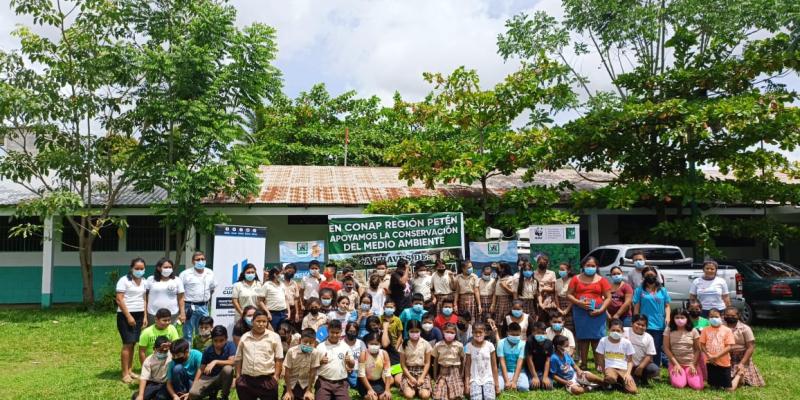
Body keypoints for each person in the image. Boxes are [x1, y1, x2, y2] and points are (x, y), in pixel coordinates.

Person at [567, 257, 612, 371]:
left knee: (597, 338)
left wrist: (601, 310)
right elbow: (569, 294)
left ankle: (599, 364)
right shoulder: (575, 279)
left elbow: (608, 297)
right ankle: (584, 364)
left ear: (597, 267)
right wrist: (579, 303)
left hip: (597, 312)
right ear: (583, 266)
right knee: (583, 338)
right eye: (588, 265)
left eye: (593, 266)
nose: (590, 268)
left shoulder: (602, 280)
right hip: (580, 311)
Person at [234, 310, 284, 400]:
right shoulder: (245, 337)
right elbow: (238, 358)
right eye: (258, 321)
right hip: (247, 381)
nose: (261, 324)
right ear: (252, 321)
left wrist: (276, 377)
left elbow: (279, 359)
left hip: (267, 380)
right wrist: (238, 377)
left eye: (264, 321)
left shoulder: (274, 337)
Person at [117, 257, 148, 384]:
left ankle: (130, 370)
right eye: (137, 268)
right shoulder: (123, 280)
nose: (139, 271)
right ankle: (124, 373)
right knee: (127, 343)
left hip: (139, 314)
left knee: (133, 343)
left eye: (142, 268)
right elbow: (119, 299)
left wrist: (145, 316)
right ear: (131, 268)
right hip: (125, 315)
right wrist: (128, 316)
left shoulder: (144, 281)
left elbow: (144, 299)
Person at [633, 266, 671, 367]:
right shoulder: (639, 290)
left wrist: (667, 317)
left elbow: (667, 306)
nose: (650, 276)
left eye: (652, 275)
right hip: (644, 323)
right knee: (644, 346)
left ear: (656, 276)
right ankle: (642, 367)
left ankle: (655, 369)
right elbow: (636, 306)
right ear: (643, 277)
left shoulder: (662, 290)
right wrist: (635, 320)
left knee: (656, 347)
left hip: (659, 323)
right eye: (647, 275)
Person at [188, 326, 235, 400]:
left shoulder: (230, 345)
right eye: (215, 341)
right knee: (193, 393)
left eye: (221, 340)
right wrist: (195, 384)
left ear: (226, 339)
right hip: (208, 378)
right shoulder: (208, 350)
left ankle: (224, 396)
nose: (218, 344)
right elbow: (201, 368)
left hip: (222, 378)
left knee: (228, 369)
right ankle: (212, 392)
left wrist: (215, 361)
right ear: (212, 340)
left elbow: (232, 362)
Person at [724, 306, 765, 389]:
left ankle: (740, 374)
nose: (730, 317)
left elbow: (751, 347)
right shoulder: (721, 327)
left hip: (741, 357)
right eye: (727, 315)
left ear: (738, 316)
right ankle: (739, 376)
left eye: (733, 316)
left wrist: (742, 363)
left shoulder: (745, 328)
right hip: (725, 356)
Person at [314, 320, 356, 400]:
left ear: (341, 332)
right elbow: (313, 366)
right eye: (332, 332)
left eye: (337, 333)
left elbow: (352, 366)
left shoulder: (345, 347)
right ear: (328, 331)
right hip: (323, 382)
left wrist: (349, 361)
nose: (334, 335)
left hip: (341, 383)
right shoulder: (320, 347)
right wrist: (321, 362)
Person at [663, 309, 703, 390]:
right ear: (673, 318)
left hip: (691, 363)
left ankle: (687, 376)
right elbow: (666, 348)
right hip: (676, 363)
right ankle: (681, 376)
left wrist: (693, 364)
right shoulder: (668, 330)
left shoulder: (693, 330)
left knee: (697, 386)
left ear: (687, 318)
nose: (680, 320)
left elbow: (698, 349)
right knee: (679, 385)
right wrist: (676, 364)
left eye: (682, 317)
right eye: (677, 317)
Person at [179, 251, 215, 343]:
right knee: (188, 334)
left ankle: (201, 350)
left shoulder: (210, 273)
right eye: (198, 259)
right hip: (189, 307)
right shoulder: (185, 274)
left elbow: (212, 289)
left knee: (204, 333)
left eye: (202, 259)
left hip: (204, 307)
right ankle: (188, 351)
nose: (200, 261)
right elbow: (180, 294)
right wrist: (182, 312)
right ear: (193, 261)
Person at [595, 319, 637, 394]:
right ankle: (612, 381)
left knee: (632, 390)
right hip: (610, 367)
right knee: (610, 378)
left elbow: (630, 361)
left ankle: (618, 382)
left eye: (618, 331)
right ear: (609, 330)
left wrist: (628, 374)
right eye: (613, 330)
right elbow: (600, 358)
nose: (615, 332)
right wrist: (604, 372)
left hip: (623, 368)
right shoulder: (603, 341)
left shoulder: (627, 343)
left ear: (622, 331)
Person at [699, 308, 735, 391]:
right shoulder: (705, 330)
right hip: (710, 361)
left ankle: (738, 378)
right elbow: (702, 344)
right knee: (713, 386)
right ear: (708, 318)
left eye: (716, 316)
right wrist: (708, 355)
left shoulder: (727, 330)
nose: (714, 318)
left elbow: (729, 346)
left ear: (721, 317)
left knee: (728, 389)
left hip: (724, 362)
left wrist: (716, 356)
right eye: (711, 317)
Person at [283, 328, 323, 400]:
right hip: (291, 384)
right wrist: (288, 391)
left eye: (311, 343)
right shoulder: (291, 352)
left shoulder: (315, 353)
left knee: (309, 397)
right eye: (305, 342)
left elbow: (312, 373)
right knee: (287, 398)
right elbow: (287, 372)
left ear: (314, 342)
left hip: (305, 385)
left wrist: (308, 390)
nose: (307, 345)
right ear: (300, 340)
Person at [146, 258, 186, 326]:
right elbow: (146, 297)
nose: (168, 269)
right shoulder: (150, 279)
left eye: (170, 267)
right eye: (165, 267)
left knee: (170, 332)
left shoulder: (177, 280)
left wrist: (182, 313)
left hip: (172, 314)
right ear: (159, 268)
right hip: (153, 314)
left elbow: (181, 298)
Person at [465, 322, 500, 399]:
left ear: (485, 333)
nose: (478, 335)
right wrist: (467, 385)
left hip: (488, 379)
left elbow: (494, 366)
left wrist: (497, 385)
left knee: (489, 398)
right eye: (475, 332)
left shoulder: (490, 346)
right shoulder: (469, 346)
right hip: (474, 379)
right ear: (472, 333)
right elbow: (467, 367)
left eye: (480, 332)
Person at [399, 320, 433, 400]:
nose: (414, 333)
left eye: (417, 331)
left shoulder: (425, 344)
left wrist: (422, 377)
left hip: (422, 372)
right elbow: (403, 364)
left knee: (425, 396)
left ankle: (420, 389)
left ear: (420, 331)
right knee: (409, 395)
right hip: (409, 372)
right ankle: (411, 389)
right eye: (412, 331)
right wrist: (410, 377)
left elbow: (427, 363)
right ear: (408, 331)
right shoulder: (404, 344)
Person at [431, 323, 465, 399]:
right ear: (443, 332)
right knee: (438, 396)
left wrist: (461, 373)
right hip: (443, 372)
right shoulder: (438, 345)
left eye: (452, 332)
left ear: (455, 333)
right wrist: (435, 376)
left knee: (455, 396)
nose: (449, 334)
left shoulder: (459, 345)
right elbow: (435, 362)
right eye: (447, 332)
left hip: (455, 372)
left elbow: (462, 359)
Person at [623, 314, 659, 386]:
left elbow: (649, 355)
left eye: (643, 325)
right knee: (627, 383)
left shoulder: (649, 337)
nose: (640, 327)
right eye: (638, 324)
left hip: (639, 365)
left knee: (653, 369)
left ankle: (642, 376)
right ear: (632, 323)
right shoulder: (624, 331)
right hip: (624, 364)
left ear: (646, 327)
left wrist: (641, 367)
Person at [132, 336, 172, 400]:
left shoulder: (172, 355)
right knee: (137, 397)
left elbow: (181, 347)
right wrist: (141, 395)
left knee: (161, 398)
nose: (163, 353)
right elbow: (144, 378)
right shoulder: (148, 360)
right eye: (160, 351)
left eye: (165, 351)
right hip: (154, 383)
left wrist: (171, 345)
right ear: (154, 349)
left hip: (167, 383)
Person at [358, 332, 393, 400]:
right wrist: (370, 389)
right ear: (367, 343)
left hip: (378, 382)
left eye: (376, 344)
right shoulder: (363, 354)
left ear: (380, 344)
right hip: (365, 383)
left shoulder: (384, 354)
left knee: (386, 398)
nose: (374, 346)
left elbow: (388, 373)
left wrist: (387, 390)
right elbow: (361, 374)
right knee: (373, 398)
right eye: (371, 344)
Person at [497, 322, 529, 392]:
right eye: (512, 334)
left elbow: (519, 364)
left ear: (520, 333)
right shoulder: (501, 343)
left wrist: (514, 381)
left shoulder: (523, 344)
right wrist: (506, 381)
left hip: (519, 372)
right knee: (499, 387)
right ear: (507, 333)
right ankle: (508, 382)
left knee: (524, 387)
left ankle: (513, 383)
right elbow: (502, 362)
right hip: (503, 372)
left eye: (517, 335)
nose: (515, 336)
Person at [379, 298, 404, 384]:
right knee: (389, 381)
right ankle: (386, 374)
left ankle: (395, 373)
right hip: (383, 347)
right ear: (384, 308)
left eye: (391, 307)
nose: (389, 309)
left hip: (394, 348)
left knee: (398, 380)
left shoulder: (397, 320)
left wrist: (396, 347)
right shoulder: (380, 319)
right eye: (387, 307)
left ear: (394, 308)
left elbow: (400, 335)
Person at [525, 321, 554, 390]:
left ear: (546, 333)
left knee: (548, 387)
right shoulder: (529, 341)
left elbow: (548, 361)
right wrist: (535, 377)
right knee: (533, 386)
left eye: (543, 333)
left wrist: (545, 377)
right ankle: (535, 378)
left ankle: (542, 378)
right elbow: (529, 360)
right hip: (532, 370)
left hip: (543, 370)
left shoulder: (549, 343)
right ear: (533, 332)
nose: (541, 335)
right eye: (538, 333)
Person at [263, 266, 292, 332]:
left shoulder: (282, 284)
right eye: (281, 274)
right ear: (275, 274)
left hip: (283, 313)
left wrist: (289, 312)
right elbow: (260, 301)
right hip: (273, 314)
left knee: (284, 332)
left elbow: (286, 299)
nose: (282, 276)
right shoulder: (267, 285)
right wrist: (268, 312)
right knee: (273, 332)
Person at [491, 262, 516, 327]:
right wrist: (493, 305)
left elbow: (513, 293)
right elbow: (495, 292)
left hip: (507, 301)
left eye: (499, 268)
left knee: (507, 322)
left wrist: (504, 287)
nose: (498, 269)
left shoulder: (511, 278)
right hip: (499, 301)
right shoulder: (498, 278)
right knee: (498, 323)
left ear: (504, 269)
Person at [534, 255, 558, 321]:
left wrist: (543, 289)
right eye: (540, 262)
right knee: (538, 319)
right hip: (536, 299)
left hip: (549, 300)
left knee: (550, 319)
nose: (542, 264)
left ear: (547, 263)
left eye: (544, 263)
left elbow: (553, 288)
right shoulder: (533, 273)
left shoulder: (551, 273)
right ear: (537, 262)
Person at [344, 321, 366, 388]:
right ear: (346, 331)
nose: (352, 333)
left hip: (358, 370)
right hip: (345, 370)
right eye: (350, 331)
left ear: (357, 332)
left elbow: (363, 359)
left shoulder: (361, 343)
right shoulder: (341, 344)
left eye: (354, 332)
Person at [555, 262, 575, 333]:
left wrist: (567, 310)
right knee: (559, 326)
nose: (560, 271)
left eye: (563, 270)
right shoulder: (557, 281)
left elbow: (573, 296)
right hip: (559, 305)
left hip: (570, 305)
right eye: (560, 269)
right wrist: (558, 308)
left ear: (568, 271)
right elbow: (556, 296)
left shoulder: (573, 280)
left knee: (570, 327)